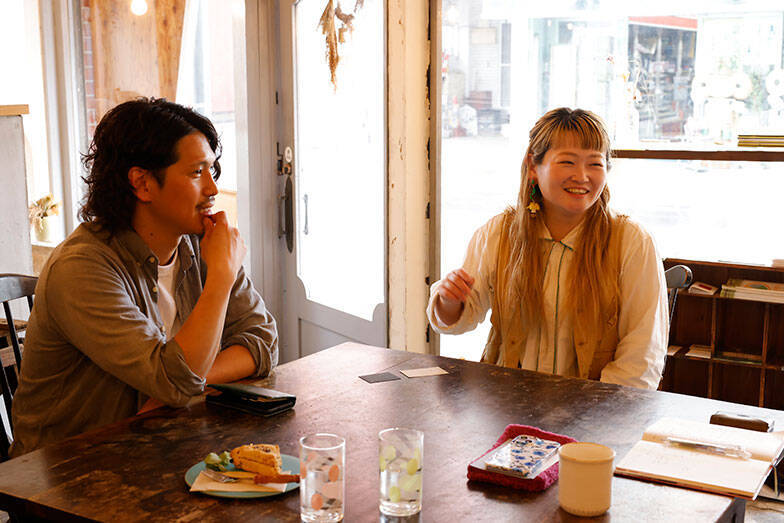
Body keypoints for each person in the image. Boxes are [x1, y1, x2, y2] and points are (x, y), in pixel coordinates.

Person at [10, 98, 278, 456]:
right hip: (65, 479)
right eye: (197, 172)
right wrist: (220, 280)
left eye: (212, 170)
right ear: (143, 184)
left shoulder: (201, 244)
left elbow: (262, 342)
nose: (213, 188)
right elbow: (175, 382)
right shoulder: (82, 268)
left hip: (154, 449)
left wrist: (187, 382)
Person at [427, 107, 668, 390]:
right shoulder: (499, 232)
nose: (582, 176)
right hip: (506, 402)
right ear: (533, 166)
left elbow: (642, 356)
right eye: (567, 162)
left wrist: (591, 414)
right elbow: (458, 320)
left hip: (595, 414)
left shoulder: (631, 241)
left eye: (595, 163)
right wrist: (449, 300)